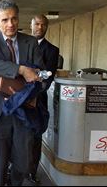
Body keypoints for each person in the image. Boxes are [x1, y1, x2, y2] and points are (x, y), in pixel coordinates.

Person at [0, 0, 46, 186]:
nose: (10, 24)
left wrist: (39, 78)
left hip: (23, 112)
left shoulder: (30, 42)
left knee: (23, 164)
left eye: (14, 18)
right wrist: (22, 70)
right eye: (5, 20)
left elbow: (41, 73)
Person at [28, 14, 59, 184]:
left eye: (44, 25)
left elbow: (48, 78)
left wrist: (35, 95)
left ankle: (32, 171)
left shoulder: (53, 50)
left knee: (35, 138)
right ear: (31, 25)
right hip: (18, 100)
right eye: (37, 24)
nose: (40, 27)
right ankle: (13, 168)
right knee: (16, 135)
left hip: (38, 101)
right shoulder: (21, 45)